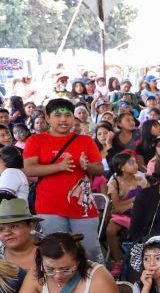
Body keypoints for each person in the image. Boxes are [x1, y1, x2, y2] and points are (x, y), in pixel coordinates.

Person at [23, 98, 104, 262]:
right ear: (47, 118)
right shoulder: (35, 140)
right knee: (57, 253)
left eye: (68, 115)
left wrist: (87, 166)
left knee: (90, 251)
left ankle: (94, 279)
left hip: (82, 207)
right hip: (50, 207)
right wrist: (59, 167)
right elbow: (30, 169)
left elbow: (100, 169)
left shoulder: (86, 140)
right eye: (57, 116)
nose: (63, 120)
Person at [0, 197, 41, 274]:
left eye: (13, 226)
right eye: (1, 229)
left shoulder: (52, 251)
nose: (7, 233)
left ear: (32, 226)